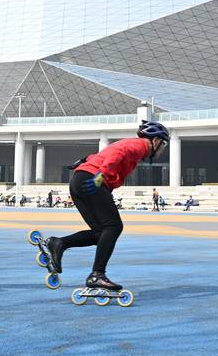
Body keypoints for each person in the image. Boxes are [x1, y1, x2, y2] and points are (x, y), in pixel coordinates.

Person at [36, 120, 170, 293]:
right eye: (164, 145)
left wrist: (84, 162)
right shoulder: (141, 146)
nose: (163, 149)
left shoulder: (131, 145)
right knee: (114, 227)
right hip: (92, 180)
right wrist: (101, 176)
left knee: (101, 233)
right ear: (156, 140)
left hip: (80, 180)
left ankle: (59, 243)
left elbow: (101, 155)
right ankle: (97, 275)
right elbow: (118, 154)